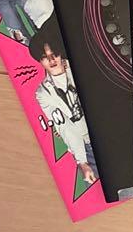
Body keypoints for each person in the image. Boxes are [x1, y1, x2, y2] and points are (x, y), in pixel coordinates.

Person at [28, 31, 98, 187]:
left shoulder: (81, 65)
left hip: (108, 132)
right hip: (86, 147)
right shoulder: (43, 93)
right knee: (96, 188)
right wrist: (82, 161)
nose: (52, 60)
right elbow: (65, 127)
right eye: (45, 57)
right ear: (40, 60)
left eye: (54, 54)